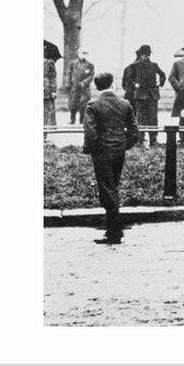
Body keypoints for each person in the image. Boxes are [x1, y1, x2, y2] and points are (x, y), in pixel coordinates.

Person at [82, 72, 139, 245]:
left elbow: (90, 132)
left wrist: (90, 149)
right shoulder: (124, 103)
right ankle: (112, 226)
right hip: (119, 151)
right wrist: (124, 145)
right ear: (112, 84)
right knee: (112, 186)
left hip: (101, 152)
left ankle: (114, 231)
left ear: (96, 86)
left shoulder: (92, 105)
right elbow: (134, 131)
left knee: (107, 189)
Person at [133, 45, 167, 146]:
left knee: (153, 118)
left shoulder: (154, 65)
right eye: (144, 55)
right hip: (140, 95)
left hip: (152, 95)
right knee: (140, 118)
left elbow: (163, 75)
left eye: (148, 55)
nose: (146, 57)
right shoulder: (135, 66)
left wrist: (159, 83)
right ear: (140, 55)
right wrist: (135, 84)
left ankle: (153, 139)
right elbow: (128, 78)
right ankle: (139, 139)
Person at [66, 49, 95, 124]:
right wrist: (68, 83)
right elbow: (69, 74)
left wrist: (84, 83)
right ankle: (72, 119)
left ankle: (82, 120)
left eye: (85, 53)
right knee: (73, 103)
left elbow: (91, 76)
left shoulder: (90, 65)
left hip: (84, 88)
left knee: (83, 104)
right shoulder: (73, 63)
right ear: (78, 53)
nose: (83, 55)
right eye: (82, 53)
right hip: (74, 87)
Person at [43, 55, 57, 128]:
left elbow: (53, 77)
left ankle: (44, 134)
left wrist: (53, 90)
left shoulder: (49, 62)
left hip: (46, 90)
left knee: (45, 113)